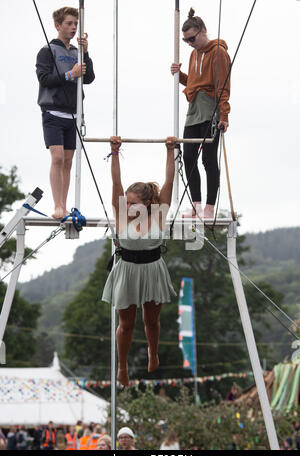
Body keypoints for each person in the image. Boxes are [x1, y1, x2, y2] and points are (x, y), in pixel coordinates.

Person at [102, 136, 177, 386]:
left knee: (152, 320)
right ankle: (122, 367)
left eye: (133, 203)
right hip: (127, 270)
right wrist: (114, 152)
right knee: (127, 323)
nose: (128, 205)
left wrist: (170, 150)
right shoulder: (121, 214)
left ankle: (152, 352)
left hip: (153, 269)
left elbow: (169, 181)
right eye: (127, 201)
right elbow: (116, 182)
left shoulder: (158, 214)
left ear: (146, 204)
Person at [171, 8, 231, 219]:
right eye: (186, 40)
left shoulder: (219, 53)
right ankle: (195, 205)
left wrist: (224, 115)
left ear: (203, 31)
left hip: (210, 109)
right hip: (193, 109)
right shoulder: (193, 54)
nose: (189, 43)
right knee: (188, 157)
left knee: (208, 159)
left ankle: (209, 207)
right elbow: (194, 83)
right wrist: (179, 76)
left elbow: (223, 86)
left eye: (192, 38)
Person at [36, 6, 95, 219]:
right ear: (58, 25)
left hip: (73, 113)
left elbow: (89, 78)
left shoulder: (76, 52)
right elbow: (45, 79)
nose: (73, 28)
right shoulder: (47, 51)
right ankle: (57, 205)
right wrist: (71, 74)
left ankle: (64, 203)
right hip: (53, 111)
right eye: (69, 24)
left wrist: (86, 53)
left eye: (75, 25)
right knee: (58, 157)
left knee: (69, 161)